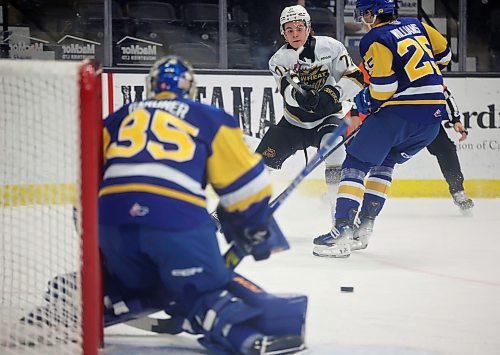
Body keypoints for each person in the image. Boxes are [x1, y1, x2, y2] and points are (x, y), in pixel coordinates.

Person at [98, 55, 307, 354]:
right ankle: (240, 330)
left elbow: (88, 184)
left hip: (112, 224)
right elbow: (250, 185)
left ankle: (100, 296)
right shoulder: (208, 117)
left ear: (151, 86)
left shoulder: (117, 118)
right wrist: (255, 232)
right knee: (205, 287)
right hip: (174, 221)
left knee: (135, 280)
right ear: (190, 88)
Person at [312, 0, 453, 258]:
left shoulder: (375, 38)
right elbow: (445, 56)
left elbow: (384, 88)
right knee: (385, 162)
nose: (363, 18)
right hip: (433, 119)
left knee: (354, 164)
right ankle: (364, 228)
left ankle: (341, 231)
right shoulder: (417, 24)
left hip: (400, 114)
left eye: (364, 13)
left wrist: (367, 98)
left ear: (372, 13)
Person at [255, 4, 364, 246]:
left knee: (334, 147)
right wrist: (301, 97)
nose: (295, 33)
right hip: (294, 123)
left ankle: (340, 220)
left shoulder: (331, 47)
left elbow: (355, 77)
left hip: (327, 119)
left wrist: (332, 93)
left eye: (299, 28)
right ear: (283, 33)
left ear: (309, 28)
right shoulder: (279, 59)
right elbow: (287, 89)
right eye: (289, 29)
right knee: (258, 165)